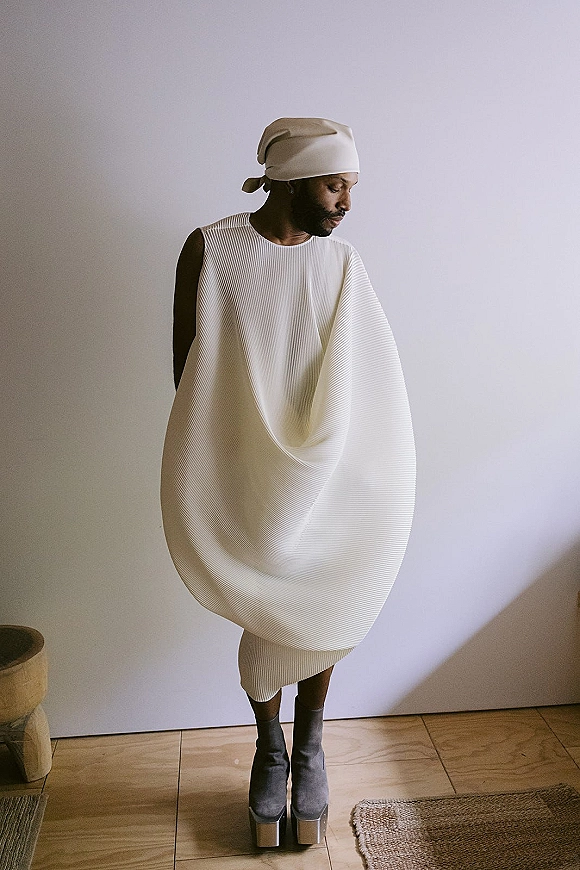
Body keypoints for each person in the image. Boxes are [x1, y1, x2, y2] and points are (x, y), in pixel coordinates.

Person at [161, 117, 415, 847]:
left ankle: (310, 746)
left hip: (331, 467)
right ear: (291, 180)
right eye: (334, 185)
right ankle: (270, 746)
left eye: (350, 187)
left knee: (328, 601)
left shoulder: (343, 264)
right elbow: (188, 367)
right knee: (267, 605)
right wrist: (228, 452)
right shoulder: (210, 249)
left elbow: (369, 372)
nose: (346, 202)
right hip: (247, 464)